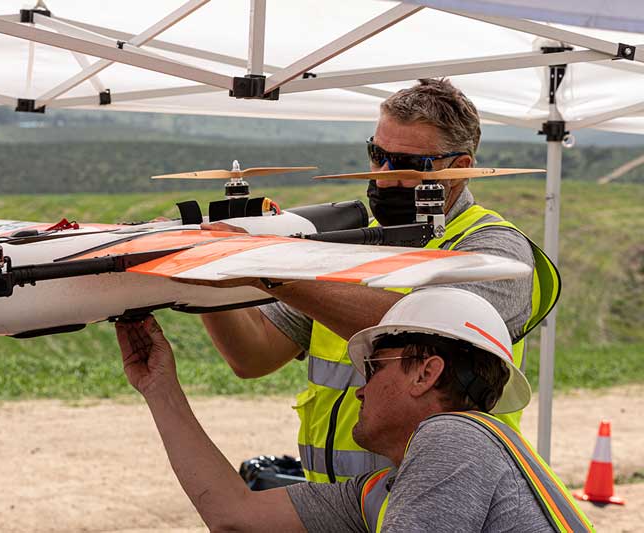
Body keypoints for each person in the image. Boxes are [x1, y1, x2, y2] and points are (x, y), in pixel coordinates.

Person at [199, 78, 559, 482]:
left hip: (443, 498)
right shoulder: (352, 243)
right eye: (377, 155)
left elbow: (423, 331)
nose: (384, 177)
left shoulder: (493, 251)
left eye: (405, 164)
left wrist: (271, 272)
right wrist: (202, 274)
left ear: (459, 168)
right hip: (340, 504)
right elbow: (254, 355)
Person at [114, 288, 593, 532]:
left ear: (426, 373)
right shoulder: (386, 490)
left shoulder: (454, 438)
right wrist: (160, 389)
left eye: (372, 367)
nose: (358, 390)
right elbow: (234, 515)